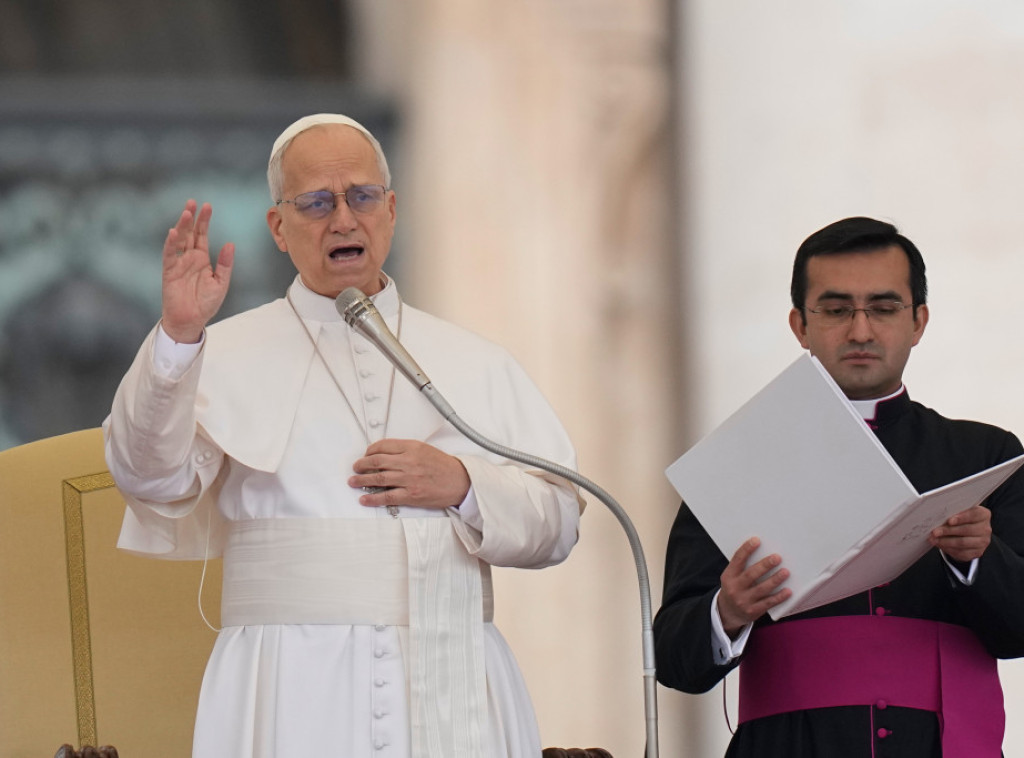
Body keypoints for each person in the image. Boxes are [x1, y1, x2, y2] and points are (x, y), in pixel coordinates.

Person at [103, 113, 583, 758]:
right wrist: (177, 336)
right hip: (284, 683)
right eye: (316, 203)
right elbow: (149, 479)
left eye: (360, 197)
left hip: (453, 673)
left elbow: (558, 523)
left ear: (391, 209)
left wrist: (465, 485)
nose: (343, 219)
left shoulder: (478, 361)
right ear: (278, 226)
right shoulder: (220, 352)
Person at [654, 216, 1024, 757]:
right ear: (799, 325)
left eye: (883, 307)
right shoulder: (738, 463)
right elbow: (672, 659)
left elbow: (1017, 631)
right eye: (835, 310)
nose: (860, 330)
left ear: (919, 321)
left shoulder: (985, 458)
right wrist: (727, 610)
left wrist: (978, 559)